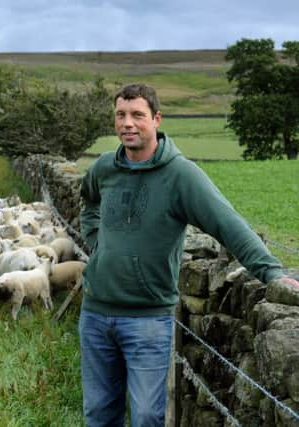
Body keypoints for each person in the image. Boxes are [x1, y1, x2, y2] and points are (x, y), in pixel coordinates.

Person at [78, 83, 299, 427]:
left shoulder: (181, 176)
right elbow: (88, 202)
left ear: (156, 119)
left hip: (148, 319)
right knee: (98, 414)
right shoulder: (104, 168)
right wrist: (97, 242)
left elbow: (229, 224)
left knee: (148, 417)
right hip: (95, 313)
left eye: (138, 115)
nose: (128, 123)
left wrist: (269, 271)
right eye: (120, 115)